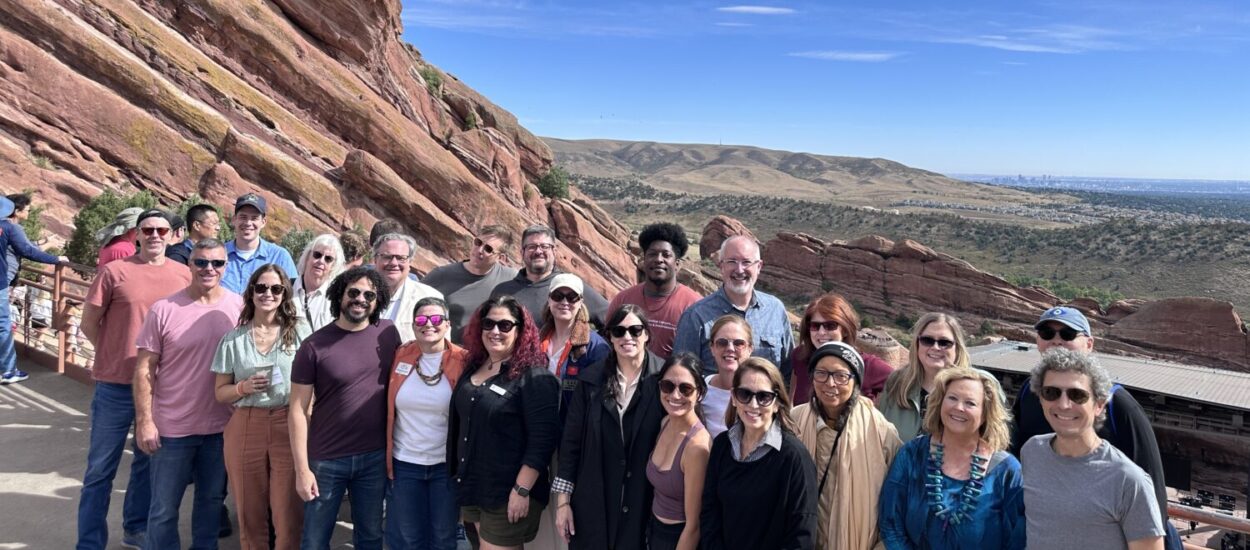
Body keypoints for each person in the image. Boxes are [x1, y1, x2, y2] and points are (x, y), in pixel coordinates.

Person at [1010, 306, 1175, 548]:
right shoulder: (1029, 395)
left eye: (1067, 334)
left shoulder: (1120, 405)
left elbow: (1150, 488)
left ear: (1089, 344)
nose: (1056, 341)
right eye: (1047, 333)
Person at [77, 209, 190, 550]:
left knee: (147, 465)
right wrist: (113, 353)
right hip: (114, 386)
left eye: (162, 229)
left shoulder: (184, 275)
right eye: (148, 229)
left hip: (160, 388)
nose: (155, 235)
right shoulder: (115, 271)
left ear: (173, 235)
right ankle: (90, 543)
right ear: (137, 234)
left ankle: (136, 529)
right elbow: (88, 322)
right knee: (100, 469)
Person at [133, 239, 244, 549]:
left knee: (210, 504)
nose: (209, 269)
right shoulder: (164, 309)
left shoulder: (238, 308)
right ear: (190, 265)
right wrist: (145, 421)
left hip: (221, 428)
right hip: (172, 429)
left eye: (217, 263)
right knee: (164, 509)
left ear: (225, 266)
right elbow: (144, 369)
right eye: (201, 262)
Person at [289, 267, 402, 549]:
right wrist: (302, 469)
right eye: (353, 292)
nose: (360, 299)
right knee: (315, 539)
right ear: (340, 295)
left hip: (374, 458)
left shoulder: (388, 333)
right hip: (327, 460)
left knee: (371, 536)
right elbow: (297, 411)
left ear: (378, 301)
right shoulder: (313, 345)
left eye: (369, 295)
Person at [447, 296, 560, 549]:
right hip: (473, 484)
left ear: (521, 330)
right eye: (488, 324)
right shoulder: (475, 365)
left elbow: (542, 442)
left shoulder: (535, 377)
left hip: (508, 492)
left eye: (505, 325)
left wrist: (521, 491)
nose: (495, 331)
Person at [210, 265, 309, 549]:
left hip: (287, 422)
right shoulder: (233, 339)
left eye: (276, 289)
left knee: (288, 514)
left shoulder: (299, 332)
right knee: (250, 514)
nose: (268, 294)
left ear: (284, 294)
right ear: (251, 292)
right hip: (246, 423)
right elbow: (220, 393)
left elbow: (313, 384)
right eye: (261, 288)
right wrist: (243, 387)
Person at [553, 304, 666, 550]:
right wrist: (563, 503)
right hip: (593, 498)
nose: (627, 337)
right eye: (619, 331)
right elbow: (571, 443)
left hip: (644, 502)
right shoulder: (591, 380)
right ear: (610, 337)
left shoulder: (665, 381)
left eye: (635, 330)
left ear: (646, 334)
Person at [879, 367, 1023, 549]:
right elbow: (890, 522)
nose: (958, 407)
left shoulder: (1007, 471)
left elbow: (1017, 540)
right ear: (940, 402)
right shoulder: (912, 454)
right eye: (952, 398)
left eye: (970, 403)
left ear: (986, 413)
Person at [793, 342, 903, 550]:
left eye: (841, 376)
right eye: (822, 373)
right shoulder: (795, 420)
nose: (830, 383)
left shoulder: (881, 431)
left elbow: (898, 500)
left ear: (856, 381)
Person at [700, 357, 817, 550]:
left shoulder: (794, 458)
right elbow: (710, 511)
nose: (753, 404)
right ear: (734, 398)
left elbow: (801, 536)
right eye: (744, 394)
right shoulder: (722, 445)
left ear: (777, 403)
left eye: (763, 397)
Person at [386, 296, 469, 550]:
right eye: (421, 319)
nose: (428, 324)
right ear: (413, 325)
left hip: (444, 467)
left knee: (443, 538)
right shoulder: (401, 355)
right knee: (408, 538)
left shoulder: (464, 360)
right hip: (405, 464)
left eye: (436, 319)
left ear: (447, 325)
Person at [672, 235, 793, 376]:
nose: (739, 270)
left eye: (746, 262)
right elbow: (681, 375)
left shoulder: (775, 310)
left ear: (759, 267)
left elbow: (788, 370)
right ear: (721, 266)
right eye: (732, 262)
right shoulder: (696, 316)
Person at [606, 222, 702, 359]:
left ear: (678, 264)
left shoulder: (694, 305)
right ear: (644, 260)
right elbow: (608, 339)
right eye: (652, 254)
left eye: (666, 255)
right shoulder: (623, 299)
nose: (658, 260)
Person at [645, 353, 712, 550]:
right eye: (668, 386)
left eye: (686, 389)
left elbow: (693, 527)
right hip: (653, 531)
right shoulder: (665, 423)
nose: (675, 395)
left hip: (677, 539)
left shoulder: (696, 448)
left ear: (699, 393)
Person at [0, 196, 66, 384]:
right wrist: (56, 259)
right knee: (2, 326)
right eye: (27, 209)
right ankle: (8, 370)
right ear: (14, 210)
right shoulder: (9, 228)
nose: (29, 212)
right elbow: (27, 251)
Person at [877, 313, 971, 440]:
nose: (935, 347)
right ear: (917, 344)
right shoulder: (896, 382)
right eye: (927, 340)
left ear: (957, 348)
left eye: (944, 342)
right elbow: (879, 437)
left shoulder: (974, 390)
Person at [490, 225, 609, 325]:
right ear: (522, 252)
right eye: (532, 247)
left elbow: (611, 318)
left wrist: (594, 346)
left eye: (544, 246)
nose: (538, 251)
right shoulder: (502, 291)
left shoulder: (571, 286)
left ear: (554, 251)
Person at [789, 294, 893, 402]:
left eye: (830, 326)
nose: (821, 332)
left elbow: (902, 385)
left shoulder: (867, 365)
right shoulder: (800, 356)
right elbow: (795, 383)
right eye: (815, 326)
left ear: (845, 330)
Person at [424, 225, 520, 343]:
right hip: (447, 353)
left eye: (488, 249)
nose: (479, 250)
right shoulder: (441, 275)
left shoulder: (510, 279)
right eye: (478, 242)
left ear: (501, 257)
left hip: (486, 356)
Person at [539, 273, 609, 422]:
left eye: (572, 297)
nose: (564, 302)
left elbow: (600, 399)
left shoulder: (596, 347)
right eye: (558, 296)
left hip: (573, 431)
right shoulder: (536, 341)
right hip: (538, 426)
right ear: (549, 299)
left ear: (580, 302)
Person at [222, 193, 298, 294]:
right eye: (243, 217)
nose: (248, 223)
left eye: (254, 218)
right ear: (234, 219)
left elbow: (292, 295)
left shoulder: (279, 256)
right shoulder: (218, 255)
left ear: (263, 222)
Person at [374, 233, 443, 342]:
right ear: (375, 260)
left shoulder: (429, 297)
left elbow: (439, 347)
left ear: (410, 262)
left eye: (401, 258)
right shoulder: (357, 294)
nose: (394, 263)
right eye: (387, 257)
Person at [700, 315, 754, 438]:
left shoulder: (760, 395)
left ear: (750, 349)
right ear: (712, 348)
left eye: (739, 343)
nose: (730, 348)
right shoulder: (698, 390)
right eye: (722, 343)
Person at [293, 234, 345, 330]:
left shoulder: (336, 299)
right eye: (317, 255)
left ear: (333, 266)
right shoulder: (284, 288)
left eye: (328, 259)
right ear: (308, 257)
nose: (321, 261)